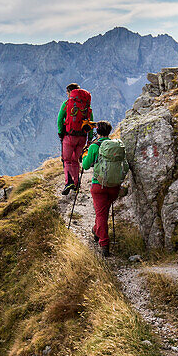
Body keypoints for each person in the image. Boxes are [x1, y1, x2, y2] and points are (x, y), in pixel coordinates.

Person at [80, 120, 129, 257]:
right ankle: (96, 230)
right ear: (109, 131)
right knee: (103, 212)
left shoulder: (94, 147)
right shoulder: (115, 146)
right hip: (114, 186)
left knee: (101, 214)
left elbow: (85, 165)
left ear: (97, 132)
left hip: (99, 185)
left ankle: (104, 244)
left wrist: (84, 155)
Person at [57, 83, 93, 195]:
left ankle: (69, 182)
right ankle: (77, 184)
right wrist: (89, 138)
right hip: (82, 137)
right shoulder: (86, 105)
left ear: (70, 92)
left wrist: (60, 133)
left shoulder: (67, 104)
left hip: (69, 136)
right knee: (75, 160)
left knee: (67, 160)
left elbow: (59, 120)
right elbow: (90, 122)